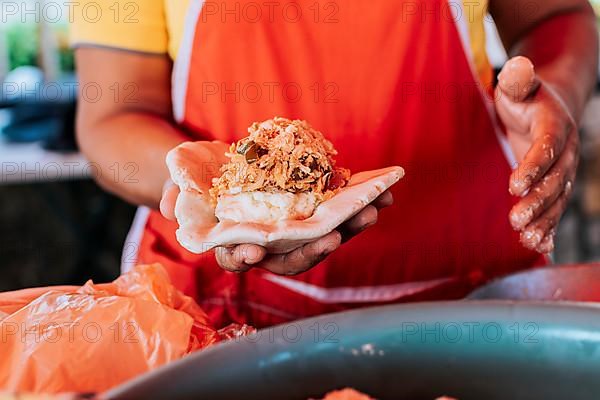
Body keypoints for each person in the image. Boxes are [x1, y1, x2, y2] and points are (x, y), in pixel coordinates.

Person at [71, 0, 598, 328]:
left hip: (469, 299)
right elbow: (112, 117)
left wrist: (557, 93)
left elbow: (556, 15)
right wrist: (214, 198)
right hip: (223, 309)